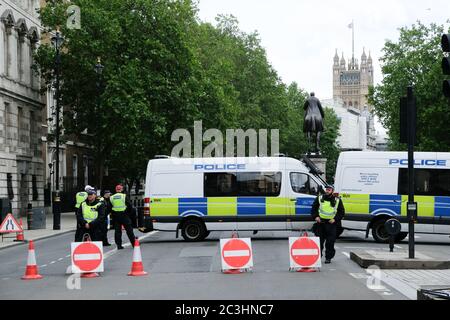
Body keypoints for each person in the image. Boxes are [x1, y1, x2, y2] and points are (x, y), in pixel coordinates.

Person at [311, 185, 345, 264]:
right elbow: (314, 208)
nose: (327, 191)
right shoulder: (320, 198)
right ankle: (318, 257)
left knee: (330, 242)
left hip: (331, 224)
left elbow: (341, 212)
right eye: (326, 189)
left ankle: (328, 258)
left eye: (329, 190)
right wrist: (315, 217)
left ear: (332, 191)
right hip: (321, 223)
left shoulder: (337, 200)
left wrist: (335, 219)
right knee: (319, 242)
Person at [110, 184, 136, 249]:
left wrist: (113, 213)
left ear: (116, 190)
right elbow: (130, 206)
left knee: (117, 231)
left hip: (116, 216)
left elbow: (109, 207)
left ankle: (119, 245)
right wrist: (128, 213)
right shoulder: (124, 196)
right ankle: (134, 244)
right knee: (129, 230)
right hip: (124, 215)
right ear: (121, 189)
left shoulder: (112, 197)